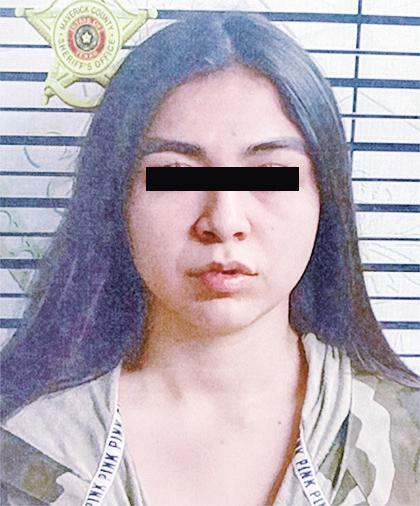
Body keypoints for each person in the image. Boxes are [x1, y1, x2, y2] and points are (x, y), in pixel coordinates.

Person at [1, 11, 419, 506]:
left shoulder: (407, 441)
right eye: (176, 174)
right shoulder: (24, 449)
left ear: (324, 197)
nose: (224, 220)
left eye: (270, 173)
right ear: (117, 196)